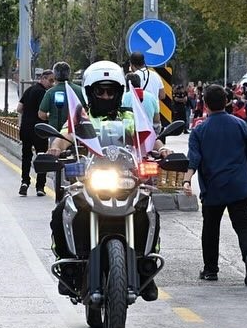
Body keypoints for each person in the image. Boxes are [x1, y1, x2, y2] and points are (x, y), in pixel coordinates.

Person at [47, 60, 172, 302]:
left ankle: (146, 266)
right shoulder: (81, 117)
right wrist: (54, 149)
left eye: (111, 91)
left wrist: (163, 150)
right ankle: (68, 266)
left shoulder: (130, 116)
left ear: (119, 93)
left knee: (150, 210)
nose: (106, 95)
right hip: (89, 181)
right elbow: (65, 136)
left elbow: (148, 138)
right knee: (61, 211)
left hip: (126, 179)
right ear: (90, 92)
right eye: (100, 91)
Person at [182, 84, 247, 286]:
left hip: (213, 189)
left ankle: (210, 270)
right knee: (244, 225)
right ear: (226, 102)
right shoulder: (240, 125)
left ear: (205, 104)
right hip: (240, 187)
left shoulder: (199, 130)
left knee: (210, 228)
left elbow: (194, 160)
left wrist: (186, 180)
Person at [16, 68, 54, 196]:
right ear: (42, 79)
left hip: (26, 128)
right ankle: (40, 187)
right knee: (41, 156)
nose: (52, 84)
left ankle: (25, 182)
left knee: (26, 156)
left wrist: (28, 116)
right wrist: (50, 117)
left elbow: (19, 108)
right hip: (40, 130)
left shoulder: (29, 90)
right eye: (50, 80)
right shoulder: (44, 93)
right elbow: (42, 114)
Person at [37, 61, 85, 136]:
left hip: (55, 132)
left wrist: (51, 116)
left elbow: (41, 114)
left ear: (55, 75)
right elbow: (86, 111)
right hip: (76, 132)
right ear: (69, 74)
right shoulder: (80, 91)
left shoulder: (50, 92)